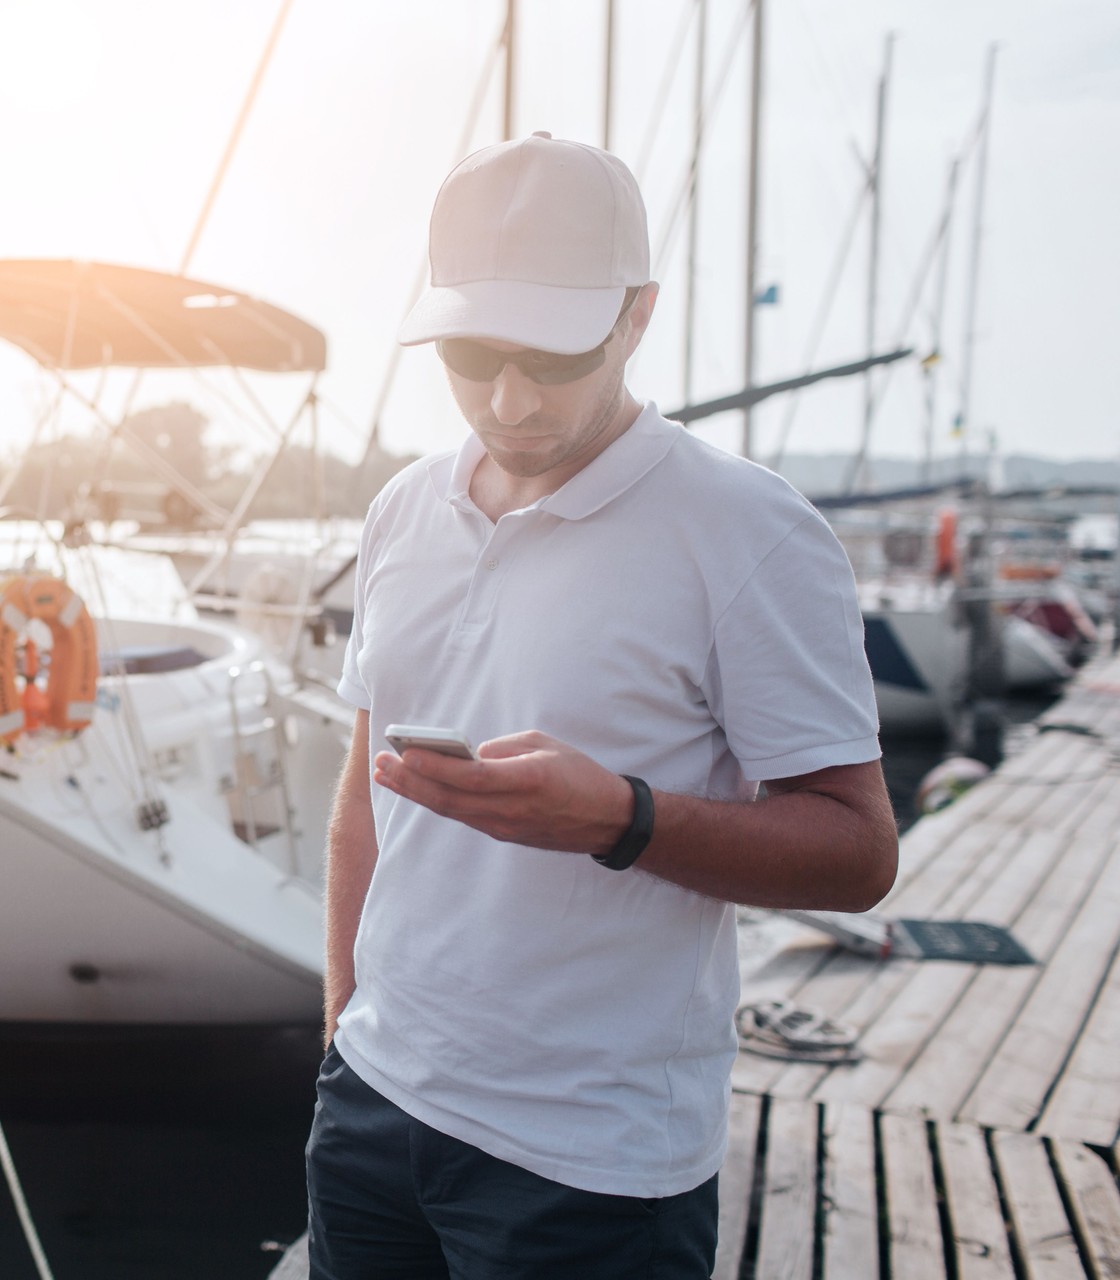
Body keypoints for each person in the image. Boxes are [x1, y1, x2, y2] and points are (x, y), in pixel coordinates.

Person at [306, 133, 898, 1279]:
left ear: (636, 315)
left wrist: (623, 818)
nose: (510, 398)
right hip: (373, 1107)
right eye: (472, 353)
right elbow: (362, 796)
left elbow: (859, 851)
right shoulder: (403, 510)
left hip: (591, 1167)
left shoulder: (751, 534)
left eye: (554, 353)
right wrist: (343, 1029)